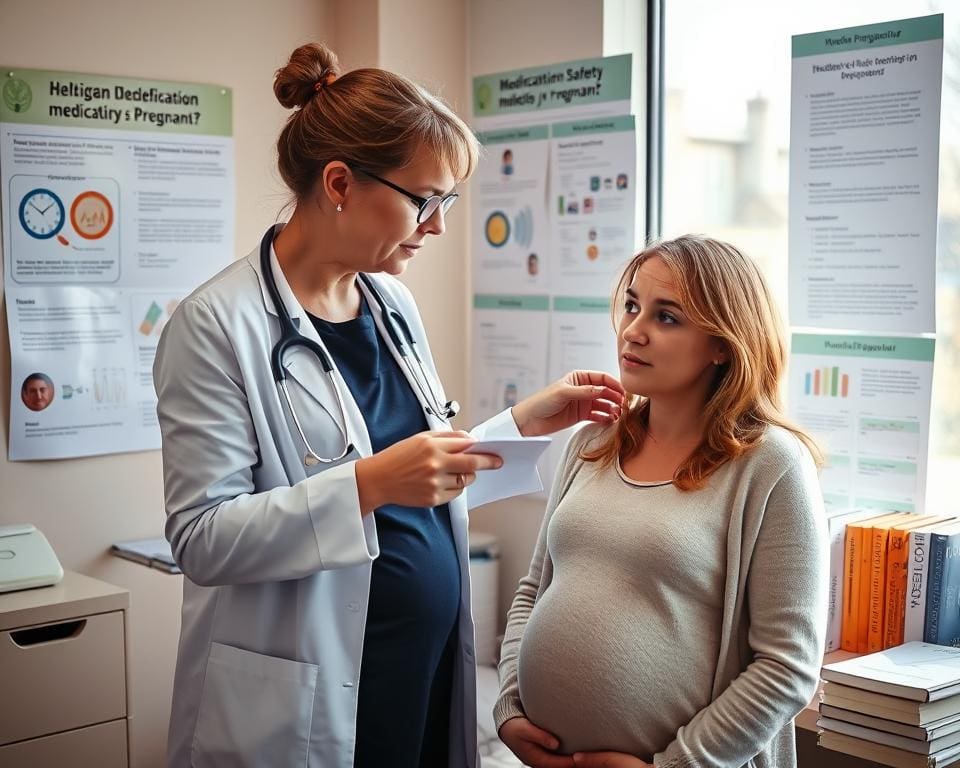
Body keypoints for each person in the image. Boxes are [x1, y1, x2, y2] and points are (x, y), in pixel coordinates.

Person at [153, 43, 624, 768]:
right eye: (424, 199)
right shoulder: (216, 324)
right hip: (314, 690)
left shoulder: (391, 304)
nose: (437, 224)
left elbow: (422, 478)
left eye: (449, 202)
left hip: (422, 670)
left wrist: (525, 423)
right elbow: (202, 538)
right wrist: (370, 483)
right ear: (339, 182)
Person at [495, 236, 828, 768]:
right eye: (631, 305)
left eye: (666, 317)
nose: (633, 330)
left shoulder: (772, 464)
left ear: (722, 343)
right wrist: (510, 708)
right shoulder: (592, 441)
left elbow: (787, 667)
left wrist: (671, 767)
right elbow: (536, 587)